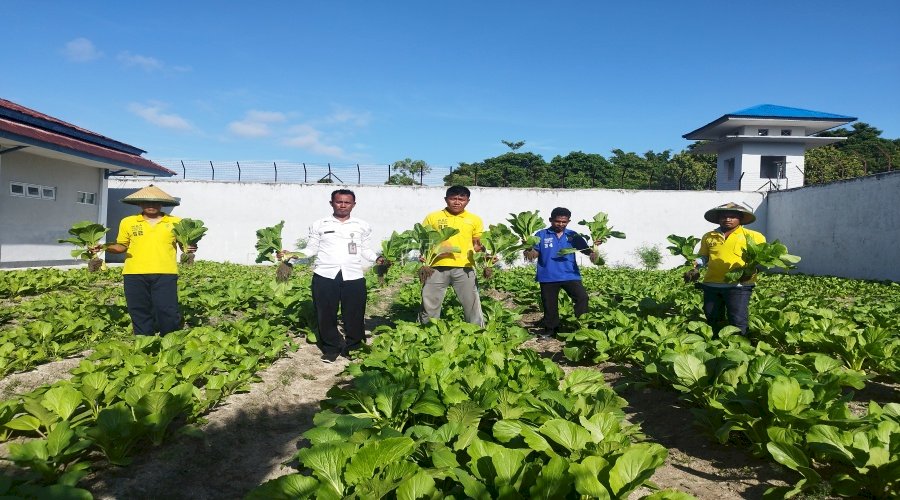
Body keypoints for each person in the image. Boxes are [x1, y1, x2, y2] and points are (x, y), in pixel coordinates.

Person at [300, 189, 383, 363]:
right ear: (331, 203)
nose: (343, 205)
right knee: (325, 313)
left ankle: (355, 346)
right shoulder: (319, 224)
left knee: (354, 312)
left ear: (353, 204)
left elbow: (366, 250)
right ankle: (331, 347)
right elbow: (310, 249)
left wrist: (377, 258)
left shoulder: (362, 226)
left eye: (347, 202)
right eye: (339, 202)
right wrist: (293, 254)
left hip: (353, 275)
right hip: (324, 274)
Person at [101, 185, 194, 335]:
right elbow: (121, 246)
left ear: (162, 204)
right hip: (134, 273)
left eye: (155, 202)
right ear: (140, 204)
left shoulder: (176, 222)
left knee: (167, 308)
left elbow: (185, 245)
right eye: (147, 202)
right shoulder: (128, 222)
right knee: (138, 308)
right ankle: (144, 340)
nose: (151, 206)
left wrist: (189, 249)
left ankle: (170, 339)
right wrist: (104, 247)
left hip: (165, 272)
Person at [690, 202, 765, 336]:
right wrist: (697, 264)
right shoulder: (709, 236)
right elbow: (704, 256)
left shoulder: (754, 236)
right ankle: (715, 344)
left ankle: (740, 346)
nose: (727, 219)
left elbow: (762, 259)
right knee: (712, 316)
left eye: (732, 216)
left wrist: (752, 270)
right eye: (724, 216)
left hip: (739, 285)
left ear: (740, 219)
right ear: (718, 218)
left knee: (737, 319)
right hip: (712, 283)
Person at [524, 207, 598, 338]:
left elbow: (586, 250)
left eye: (564, 222)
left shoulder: (573, 235)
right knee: (549, 304)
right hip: (548, 275)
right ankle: (550, 330)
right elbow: (534, 255)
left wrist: (594, 249)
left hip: (570, 274)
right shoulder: (541, 235)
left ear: (568, 221)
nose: (561, 224)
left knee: (582, 298)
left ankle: (581, 326)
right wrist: (528, 248)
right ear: (551, 220)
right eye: (558, 221)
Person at [419, 185, 485, 327]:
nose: (457, 202)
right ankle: (426, 330)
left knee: (472, 303)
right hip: (436, 266)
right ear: (446, 199)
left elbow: (477, 243)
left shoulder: (474, 219)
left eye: (461, 199)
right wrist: (422, 254)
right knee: (430, 301)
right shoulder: (433, 217)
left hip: (465, 267)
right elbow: (424, 238)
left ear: (467, 201)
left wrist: (485, 253)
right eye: (453, 198)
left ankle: (477, 331)